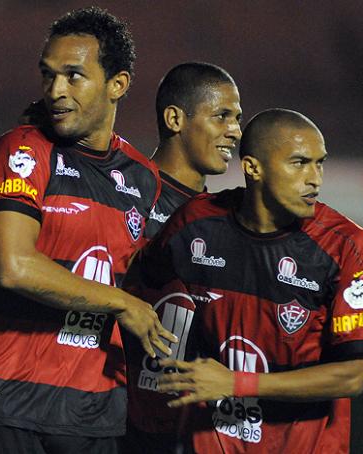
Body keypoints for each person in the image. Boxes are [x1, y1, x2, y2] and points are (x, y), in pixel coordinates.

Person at [0, 7, 177, 454]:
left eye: (74, 76)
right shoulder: (25, 149)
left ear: (118, 84)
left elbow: (130, 270)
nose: (56, 90)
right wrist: (119, 302)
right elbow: (14, 267)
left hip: (94, 411)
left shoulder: (142, 178)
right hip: (5, 402)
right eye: (48, 75)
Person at [126, 108, 363, 453]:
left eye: (319, 163)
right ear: (252, 167)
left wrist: (235, 383)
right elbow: (136, 286)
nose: (315, 178)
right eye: (300, 163)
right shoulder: (196, 222)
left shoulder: (346, 245)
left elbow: (351, 375)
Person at [120, 62, 242, 453]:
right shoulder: (123, 190)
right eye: (222, 116)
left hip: (192, 428)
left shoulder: (226, 218)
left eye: (237, 119)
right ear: (175, 118)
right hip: (117, 418)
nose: (235, 131)